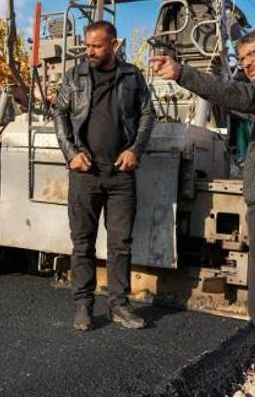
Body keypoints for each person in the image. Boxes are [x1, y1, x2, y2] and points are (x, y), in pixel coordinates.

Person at [151, 27, 255, 397]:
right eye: (241, 59)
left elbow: (249, 97)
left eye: (253, 56)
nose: (247, 64)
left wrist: (184, 73)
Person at [53, 20, 155, 331]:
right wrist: (71, 155)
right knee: (82, 243)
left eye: (97, 46)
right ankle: (83, 306)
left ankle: (118, 305)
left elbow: (148, 113)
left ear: (114, 44)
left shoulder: (132, 75)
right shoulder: (75, 76)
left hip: (121, 175)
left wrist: (135, 149)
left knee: (120, 244)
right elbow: (60, 112)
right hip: (85, 173)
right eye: (88, 46)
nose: (90, 51)